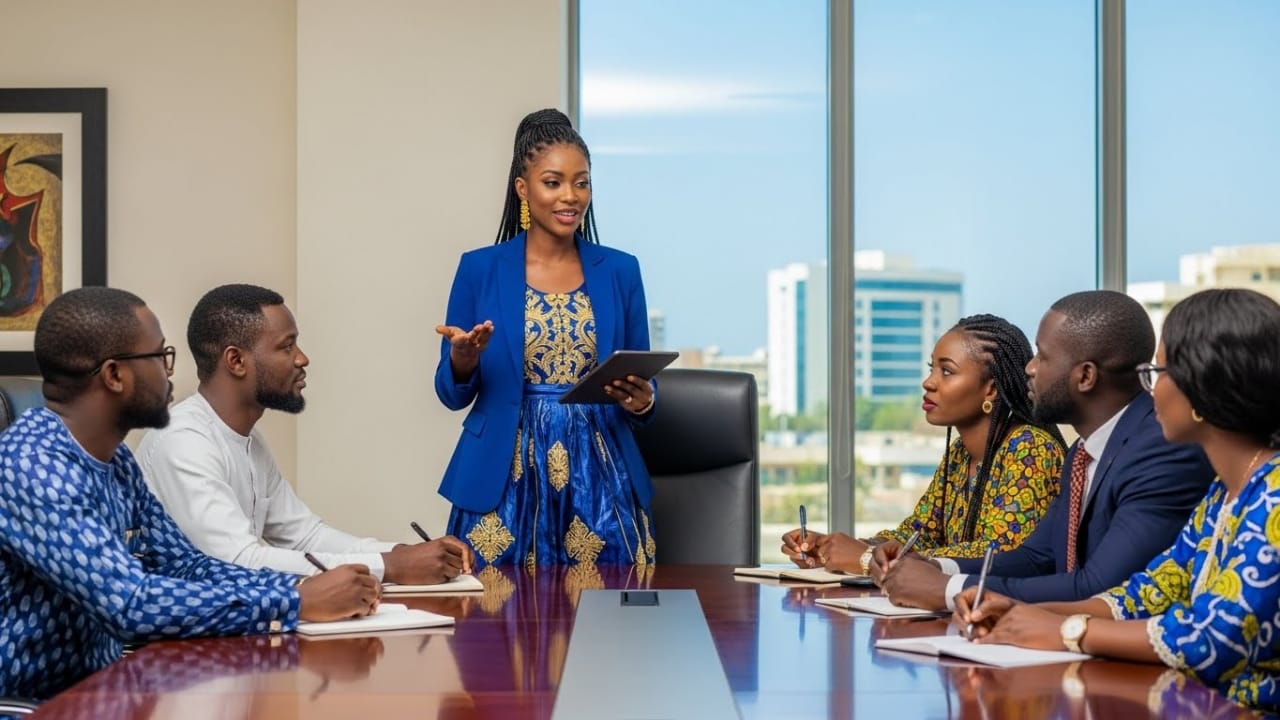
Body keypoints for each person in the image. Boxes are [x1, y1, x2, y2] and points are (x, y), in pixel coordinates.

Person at [0, 287, 378, 701]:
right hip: (34, 706)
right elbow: (132, 604)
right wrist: (292, 600)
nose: (169, 373)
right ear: (114, 375)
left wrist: (308, 586)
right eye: (160, 357)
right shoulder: (32, 465)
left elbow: (187, 565)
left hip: (102, 693)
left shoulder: (118, 462)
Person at [956, 288, 1280, 714]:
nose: (1150, 390)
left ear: (1203, 388)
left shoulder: (1274, 497)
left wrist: (1068, 630)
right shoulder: (1223, 496)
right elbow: (1144, 594)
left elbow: (1211, 640)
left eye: (1158, 372)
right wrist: (1018, 612)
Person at [873, 290, 1213, 610]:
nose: (1029, 369)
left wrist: (946, 590)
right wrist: (935, 565)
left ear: (1085, 377)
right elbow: (1038, 557)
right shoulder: (1082, 452)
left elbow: (1099, 589)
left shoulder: (1162, 450)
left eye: (1043, 356)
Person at [434, 108, 657, 568]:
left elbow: (642, 372)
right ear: (523, 188)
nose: (570, 196)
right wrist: (463, 360)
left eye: (582, 182)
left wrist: (644, 401)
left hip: (601, 470)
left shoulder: (620, 270)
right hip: (503, 473)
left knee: (610, 613)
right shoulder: (480, 268)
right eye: (553, 182)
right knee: (492, 619)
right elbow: (451, 393)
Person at [137, 284, 472, 583]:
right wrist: (391, 565)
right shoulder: (182, 442)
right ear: (236, 361)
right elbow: (238, 562)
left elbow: (305, 535)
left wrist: (404, 552)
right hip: (173, 649)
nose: (302, 359)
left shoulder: (249, 441)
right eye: (287, 346)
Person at [782, 314, 1066, 570]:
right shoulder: (960, 455)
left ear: (990, 389)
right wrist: (834, 548)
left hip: (1011, 617)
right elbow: (918, 534)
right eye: (932, 368)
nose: (928, 383)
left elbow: (1000, 553)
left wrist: (866, 558)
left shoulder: (1031, 449)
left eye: (947, 371)